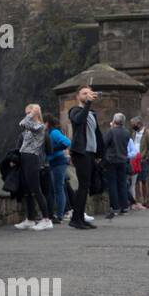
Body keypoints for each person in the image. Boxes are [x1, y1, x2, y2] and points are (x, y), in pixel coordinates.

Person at [67, 86, 105, 231]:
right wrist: (88, 103)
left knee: (86, 186)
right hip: (80, 152)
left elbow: (97, 134)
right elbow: (78, 121)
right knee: (83, 186)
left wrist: (100, 154)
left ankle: (79, 218)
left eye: (89, 93)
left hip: (90, 153)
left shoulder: (92, 113)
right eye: (84, 93)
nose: (87, 95)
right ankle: (76, 219)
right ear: (78, 96)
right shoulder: (74, 111)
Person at [11, 104, 53, 231]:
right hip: (25, 158)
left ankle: (46, 219)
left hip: (32, 158)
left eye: (29, 113)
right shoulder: (30, 129)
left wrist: (33, 112)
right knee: (27, 190)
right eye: (26, 113)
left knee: (36, 189)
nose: (27, 115)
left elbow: (22, 123)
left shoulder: (39, 126)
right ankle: (30, 219)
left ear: (35, 113)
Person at [100, 113, 131, 220]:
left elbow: (103, 143)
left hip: (111, 160)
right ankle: (124, 206)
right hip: (123, 160)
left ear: (114, 121)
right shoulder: (127, 132)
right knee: (122, 183)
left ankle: (115, 206)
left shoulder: (111, 131)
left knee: (112, 183)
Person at [44, 113, 71, 223]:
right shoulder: (47, 132)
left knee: (58, 188)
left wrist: (53, 149)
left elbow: (67, 142)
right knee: (55, 189)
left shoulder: (54, 132)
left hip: (59, 162)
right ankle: (56, 214)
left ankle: (60, 215)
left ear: (47, 123)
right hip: (53, 162)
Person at [130, 117, 149, 208]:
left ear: (139, 123)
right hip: (134, 159)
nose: (132, 126)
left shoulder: (148, 133)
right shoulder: (134, 133)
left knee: (144, 180)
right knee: (135, 180)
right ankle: (138, 200)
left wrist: (146, 158)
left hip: (143, 160)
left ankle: (147, 200)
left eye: (133, 124)